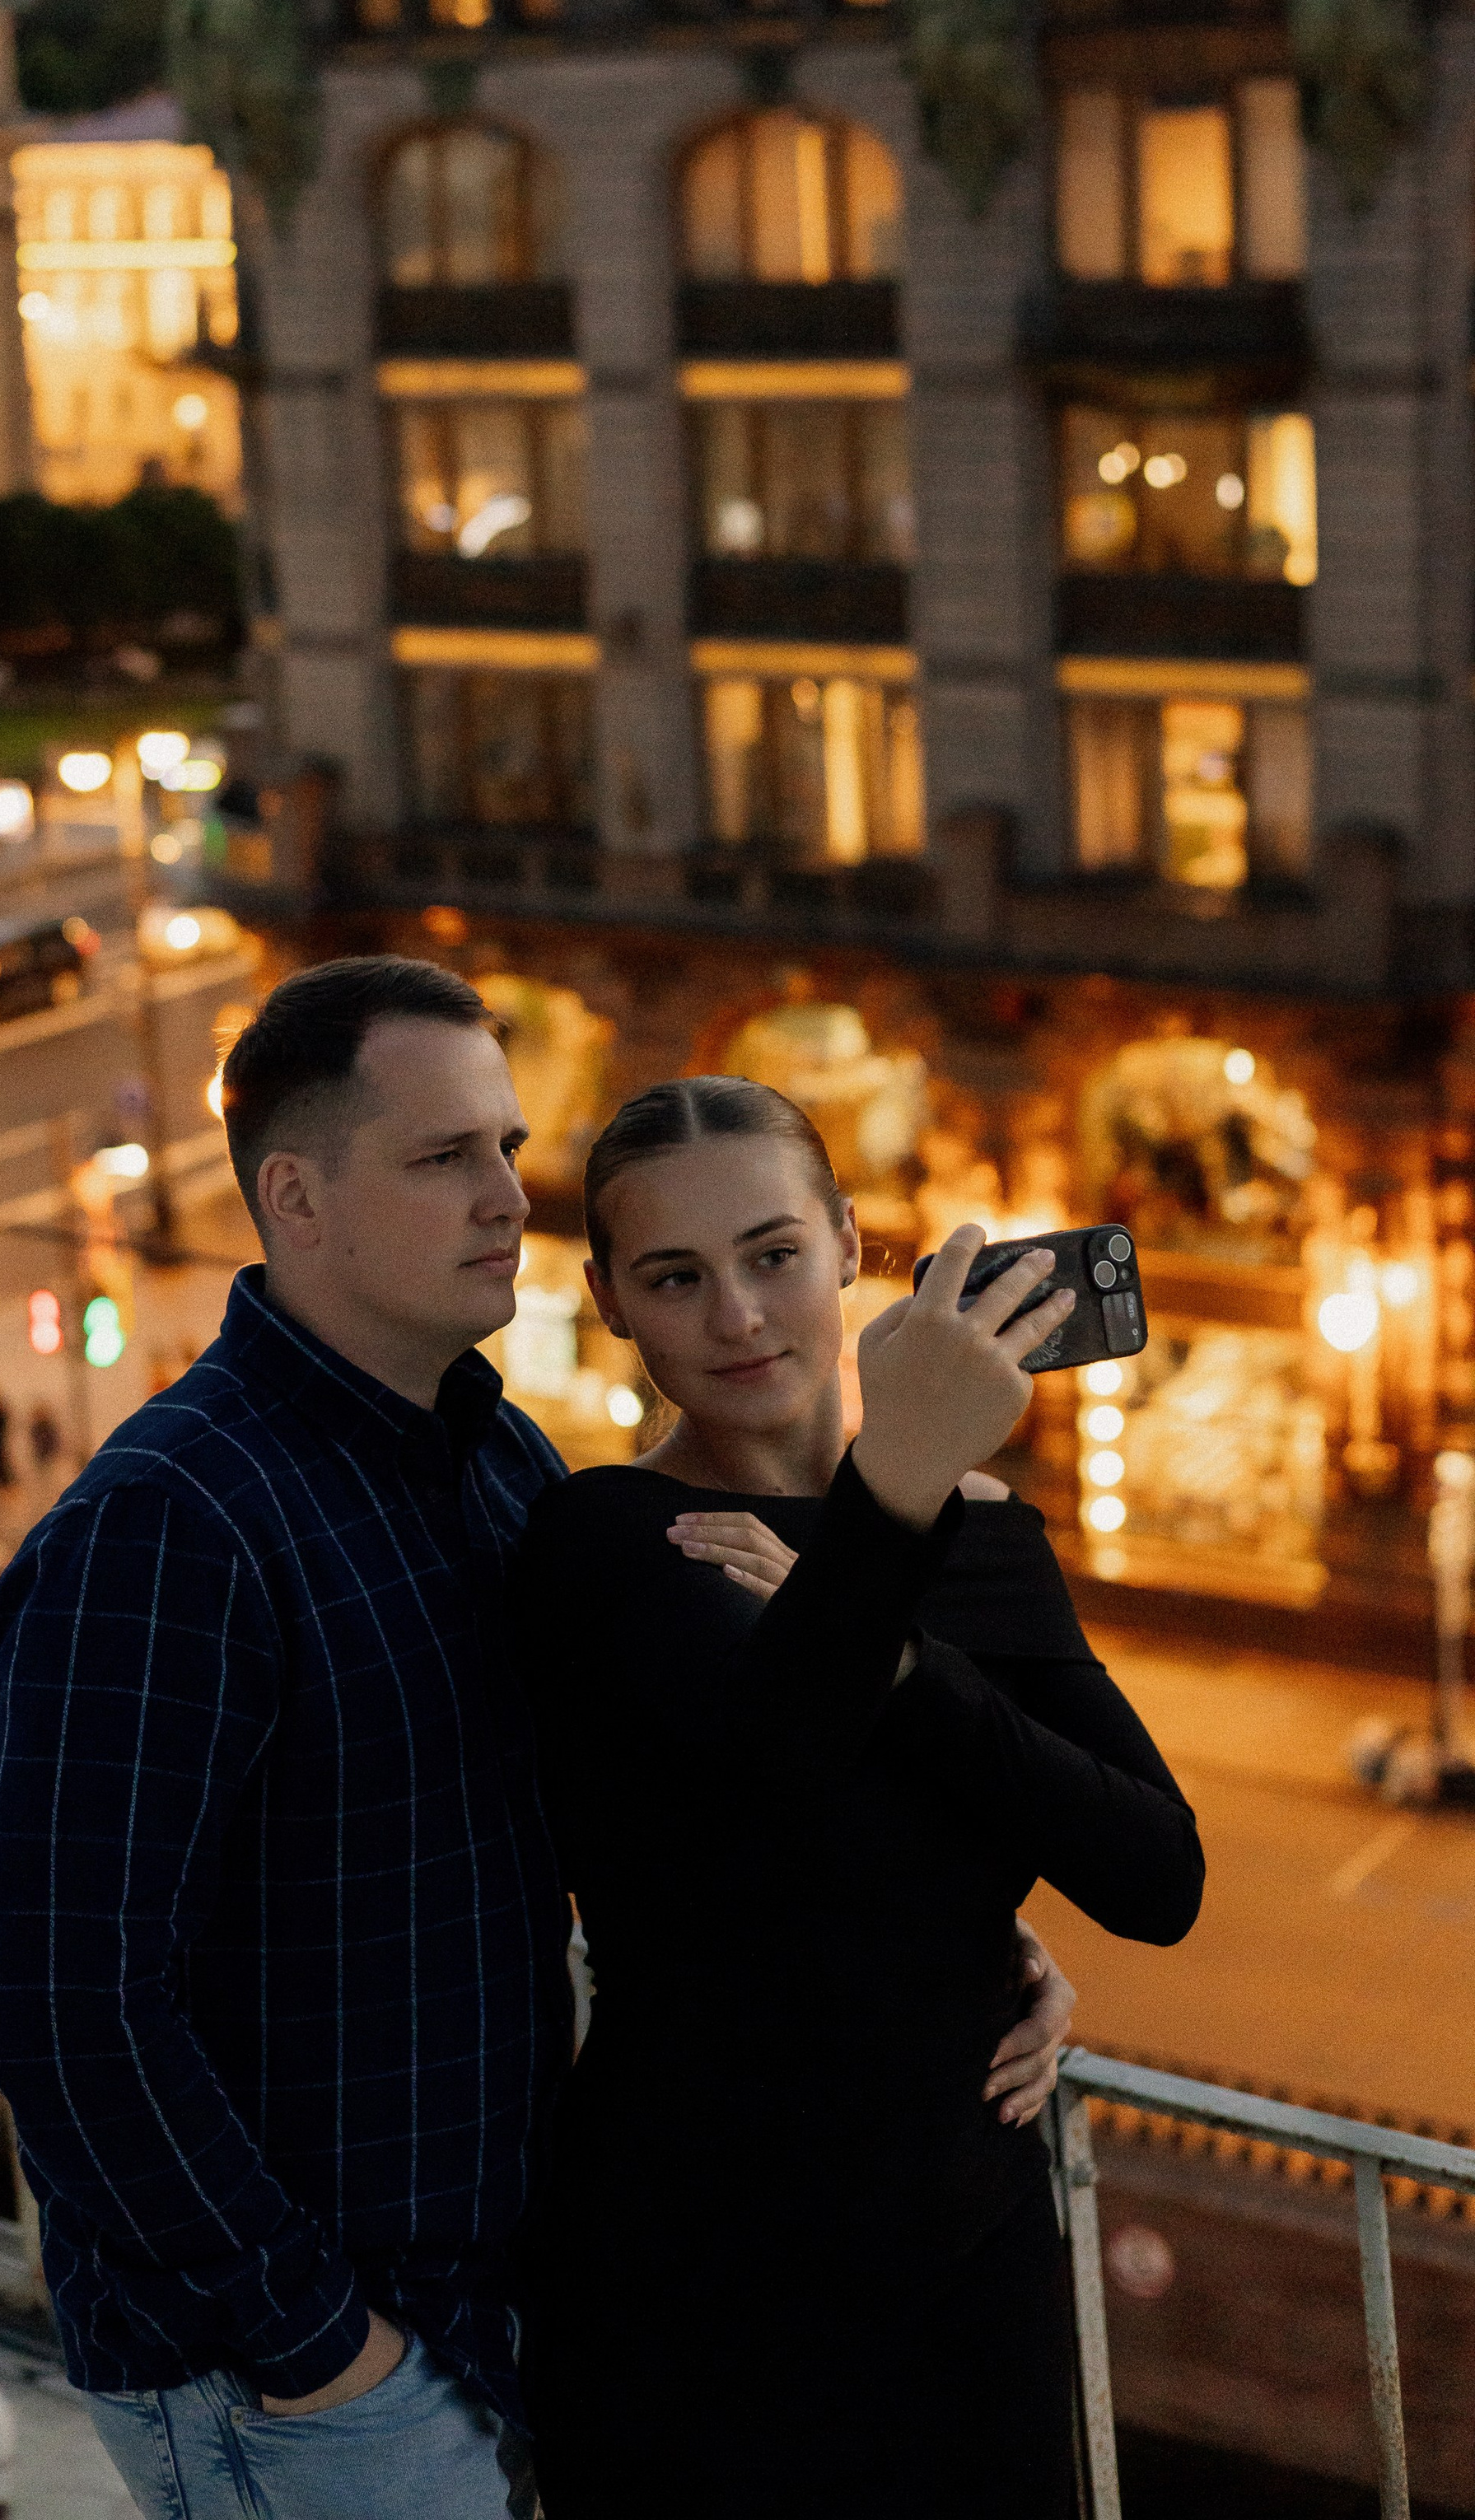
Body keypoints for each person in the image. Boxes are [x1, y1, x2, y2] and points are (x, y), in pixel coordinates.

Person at [0, 963, 1078, 2520]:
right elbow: (66, 2008)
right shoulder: (174, 1521)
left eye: (505, 1145)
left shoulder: (495, 1462)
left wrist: (973, 1929)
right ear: (294, 1196)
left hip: (499, 2313)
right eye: (445, 1160)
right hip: (308, 2374)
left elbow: (671, 1823)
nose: (510, 1194)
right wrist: (313, 2341)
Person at [509, 1077, 1205, 2520]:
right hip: (701, 2279)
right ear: (610, 1303)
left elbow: (1157, 1876)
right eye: (676, 1278)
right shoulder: (611, 1537)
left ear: (846, 1244)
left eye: (774, 1255)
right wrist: (894, 1497)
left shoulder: (983, 1547)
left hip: (970, 2260)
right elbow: (760, 1808)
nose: (742, 1317)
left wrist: (900, 1653)